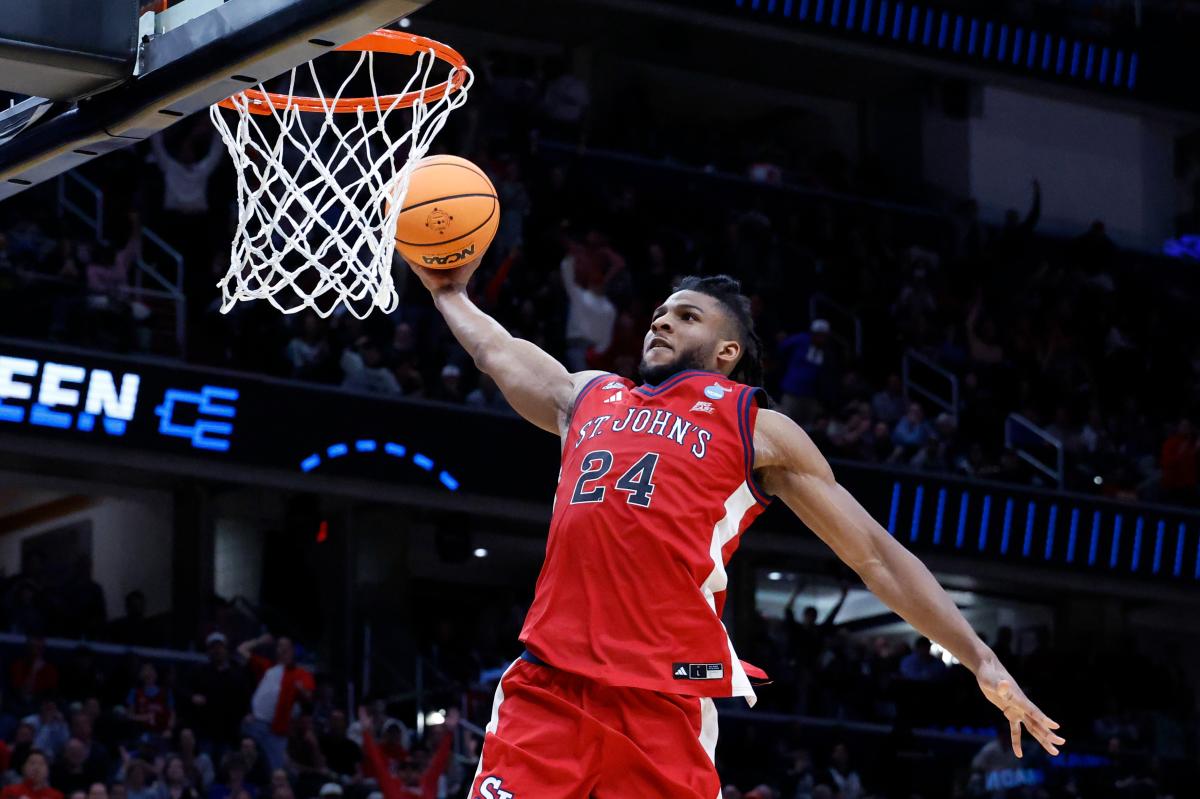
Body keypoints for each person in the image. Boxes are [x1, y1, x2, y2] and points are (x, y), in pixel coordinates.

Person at [405, 252, 1063, 798]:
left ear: (726, 350)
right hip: (548, 689)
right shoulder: (589, 396)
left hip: (664, 708)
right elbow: (499, 350)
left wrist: (979, 656)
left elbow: (877, 557)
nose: (661, 322)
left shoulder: (756, 427)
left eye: (685, 316)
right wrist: (447, 291)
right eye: (660, 314)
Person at [237, 635, 314, 772]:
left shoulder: (300, 674)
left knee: (276, 770)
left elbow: (308, 696)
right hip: (256, 723)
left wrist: (301, 689)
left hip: (276, 731)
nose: (283, 650)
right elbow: (241, 650)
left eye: (286, 647)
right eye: (280, 646)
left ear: (292, 651)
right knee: (245, 762)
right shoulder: (267, 667)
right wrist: (259, 641)